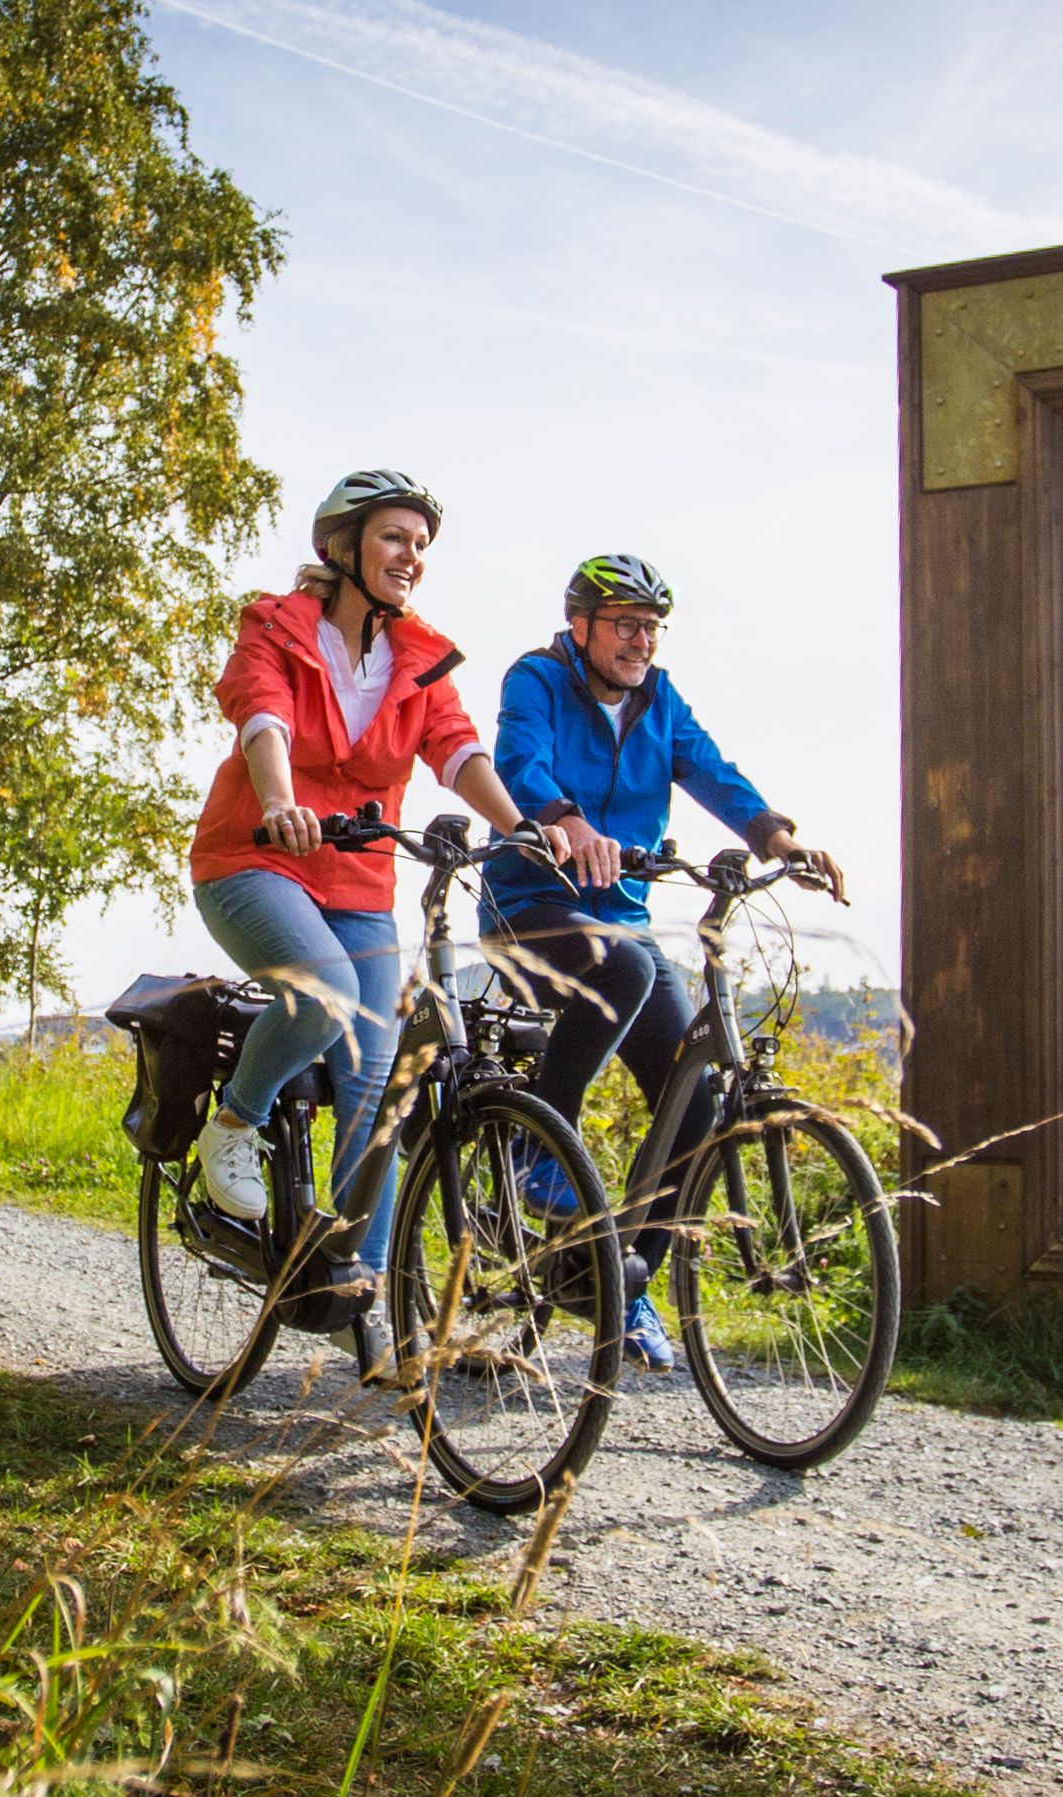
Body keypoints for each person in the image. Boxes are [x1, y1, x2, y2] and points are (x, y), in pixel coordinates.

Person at [186, 469, 543, 1332]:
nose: (410, 556)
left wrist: (521, 826)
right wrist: (280, 800)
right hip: (255, 858)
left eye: (420, 544)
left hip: (360, 880)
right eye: (393, 537)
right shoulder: (276, 626)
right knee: (326, 992)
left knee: (378, 1088)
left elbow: (456, 748)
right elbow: (261, 716)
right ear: (343, 547)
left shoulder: (418, 656)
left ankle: (364, 1294)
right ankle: (234, 1121)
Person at [479, 552, 840, 1369]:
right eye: (624, 624)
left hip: (623, 921)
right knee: (629, 966)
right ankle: (537, 1150)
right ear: (580, 625)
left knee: (695, 1101)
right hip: (529, 909)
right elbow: (519, 762)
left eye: (650, 627)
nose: (640, 641)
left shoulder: (658, 699)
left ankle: (624, 1276)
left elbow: (711, 769)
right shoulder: (536, 679)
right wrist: (566, 822)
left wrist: (779, 840)